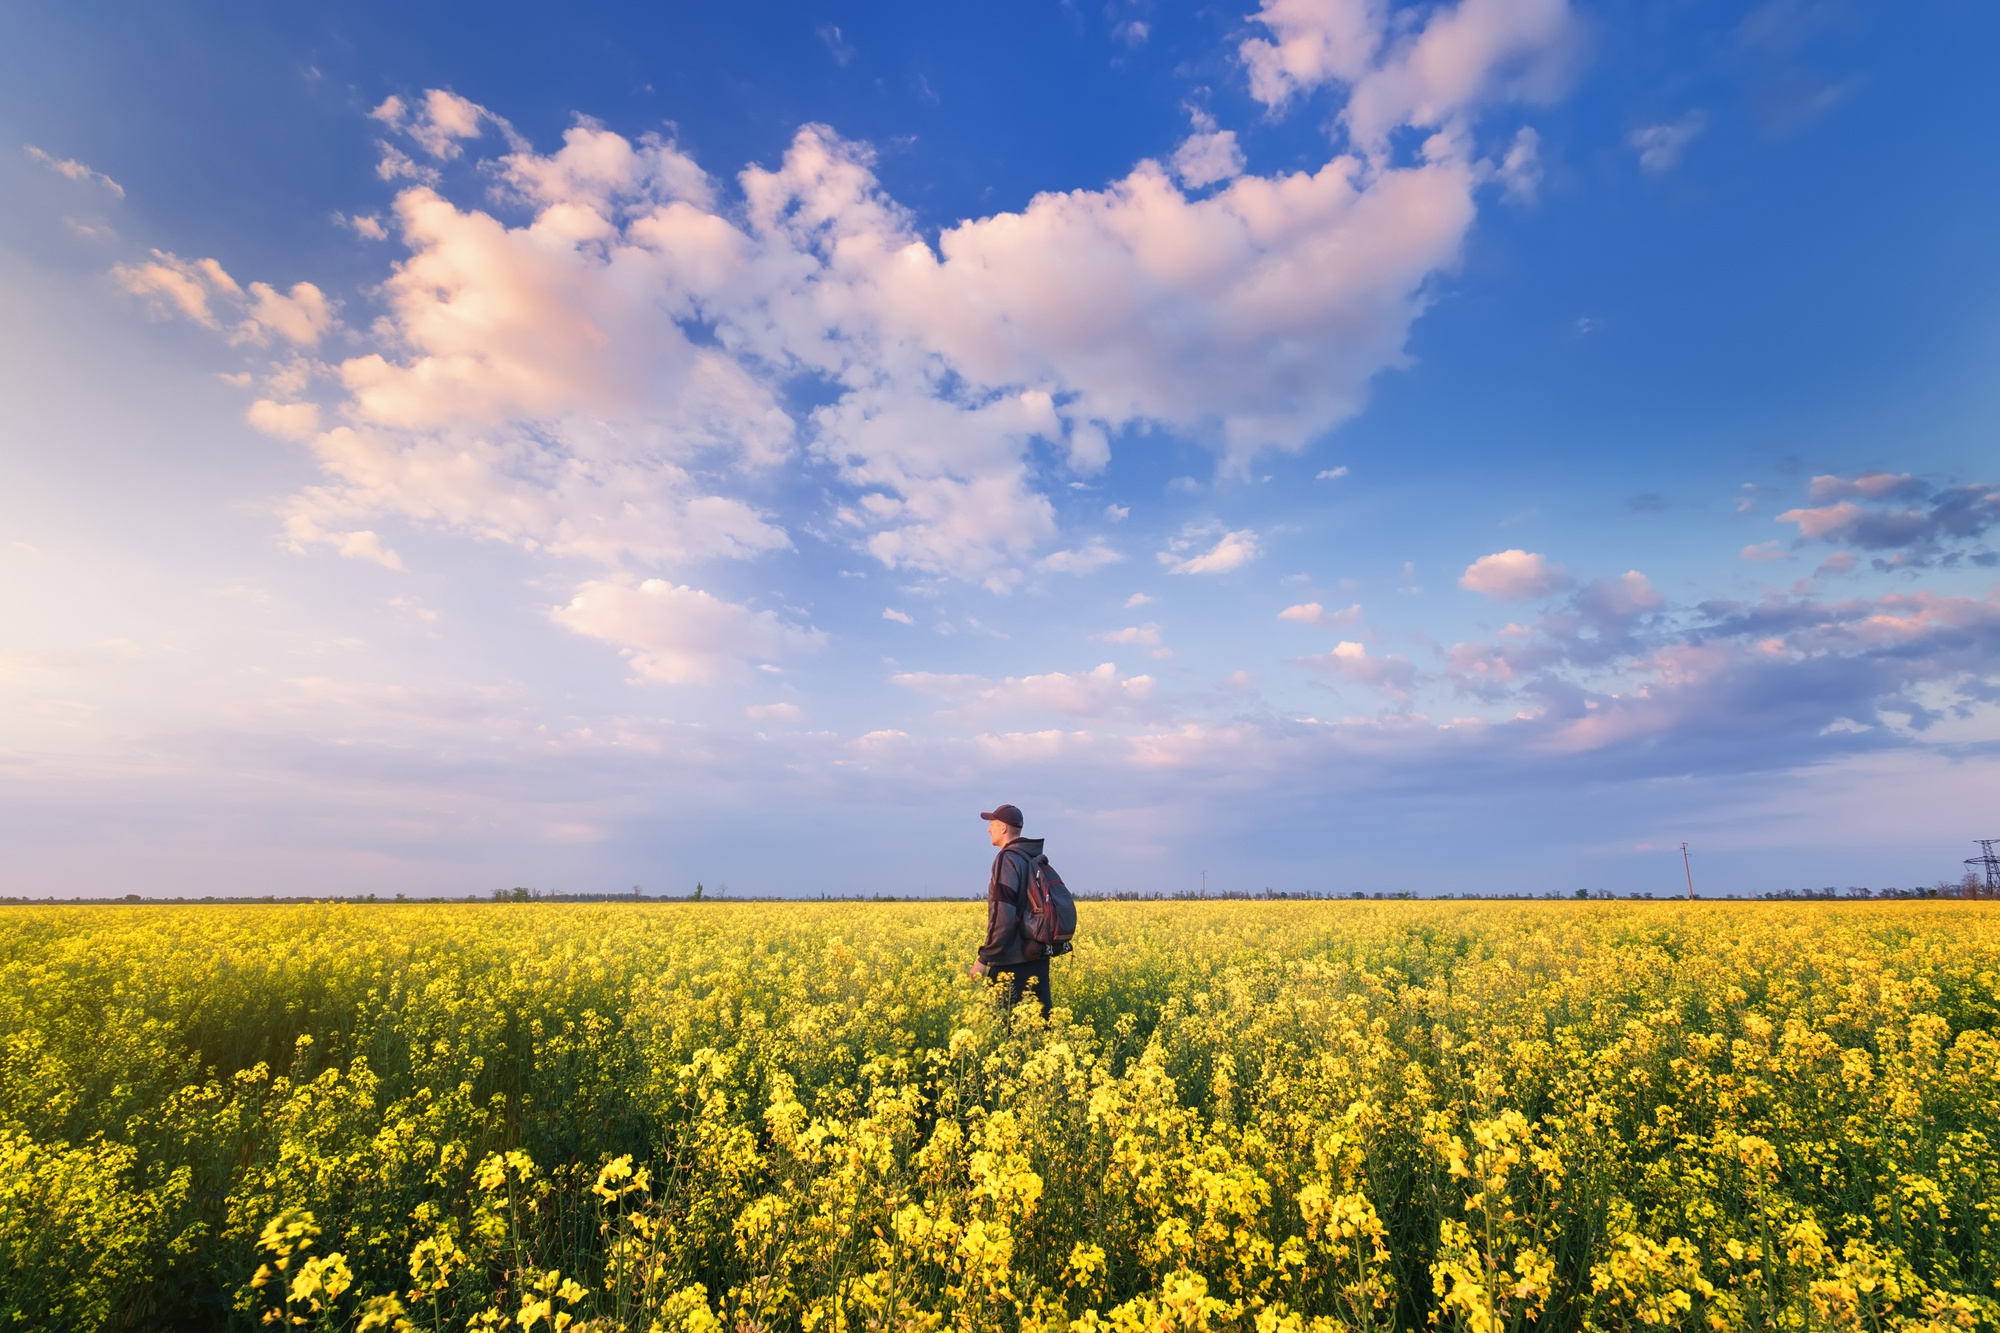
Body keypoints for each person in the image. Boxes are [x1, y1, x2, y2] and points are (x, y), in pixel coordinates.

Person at [970, 803, 1052, 1017]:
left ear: (1003, 828)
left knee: (1005, 1036)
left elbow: (1002, 917)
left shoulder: (1007, 860)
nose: (988, 829)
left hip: (1011, 967)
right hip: (1037, 960)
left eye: (991, 824)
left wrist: (983, 959)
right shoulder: (1032, 858)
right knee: (1038, 1035)